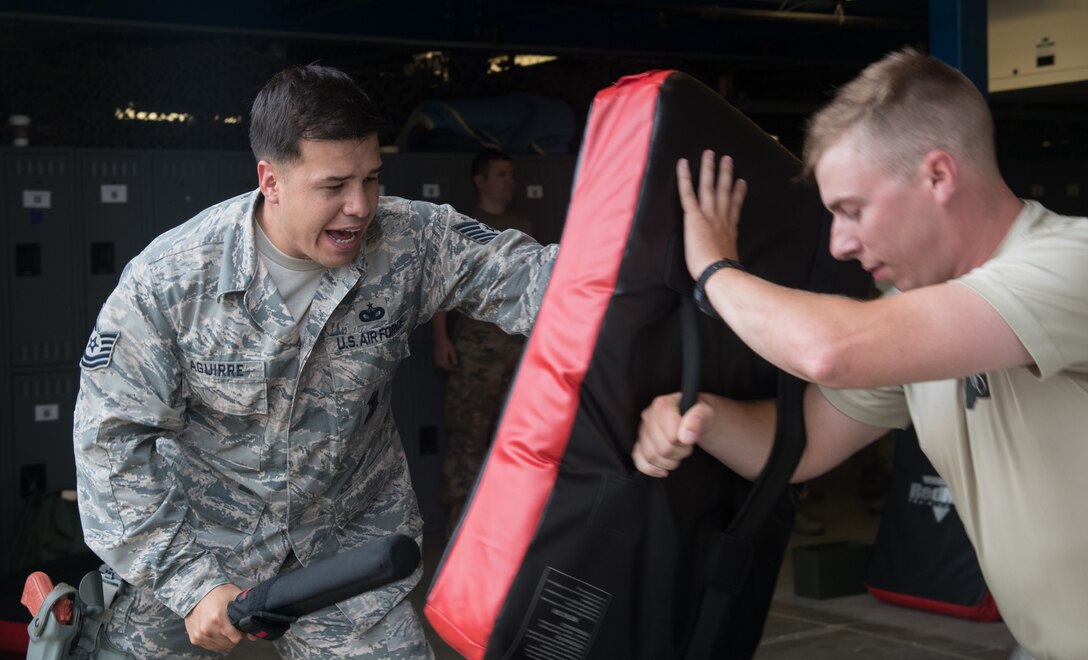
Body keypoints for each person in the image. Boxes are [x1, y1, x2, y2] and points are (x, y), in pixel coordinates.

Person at [73, 64, 557, 658]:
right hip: (196, 542)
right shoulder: (169, 281)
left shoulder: (411, 241)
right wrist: (190, 585)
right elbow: (112, 444)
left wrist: (694, 267)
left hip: (345, 543)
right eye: (334, 187)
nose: (360, 207)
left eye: (372, 179)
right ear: (270, 180)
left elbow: (550, 283)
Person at [632, 48, 1087, 660]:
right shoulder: (917, 312)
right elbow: (803, 446)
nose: (841, 245)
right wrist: (700, 417)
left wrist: (713, 268)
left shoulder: (1070, 263)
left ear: (938, 176)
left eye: (852, 211)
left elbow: (830, 352)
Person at [431, 149, 534, 534]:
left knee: (514, 438)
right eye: (502, 174)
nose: (511, 182)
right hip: (475, 353)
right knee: (468, 440)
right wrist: (441, 339)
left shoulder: (521, 223)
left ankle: (507, 529)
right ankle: (461, 529)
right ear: (481, 180)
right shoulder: (466, 225)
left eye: (511, 174)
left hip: (515, 349)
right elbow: (442, 285)